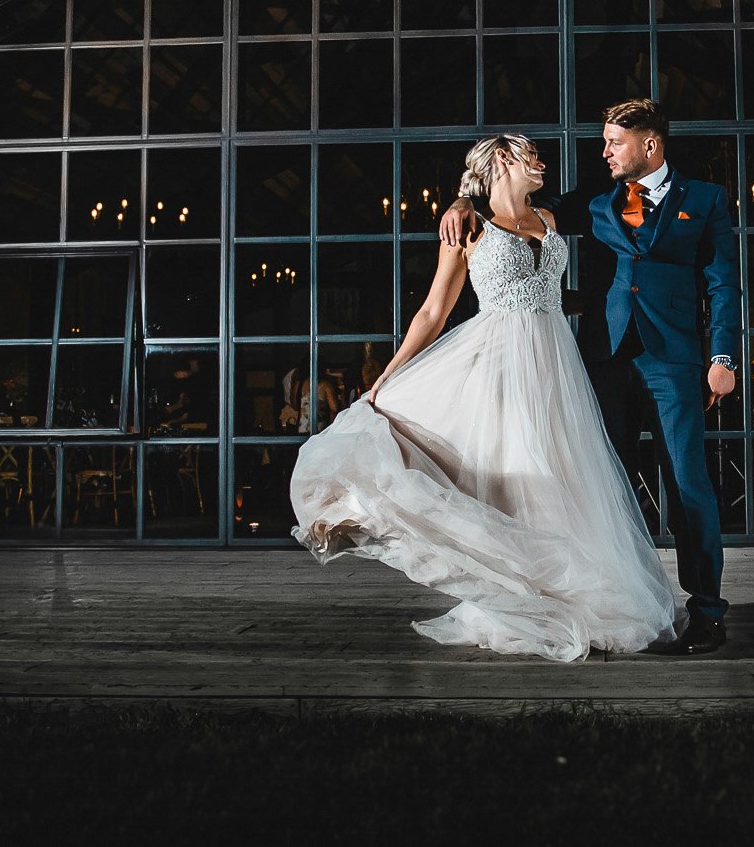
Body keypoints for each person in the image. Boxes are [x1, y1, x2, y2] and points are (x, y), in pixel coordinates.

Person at [290, 133, 681, 662]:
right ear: (502, 159)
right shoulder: (468, 229)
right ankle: (512, 593)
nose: (542, 163)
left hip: (552, 367)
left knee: (561, 478)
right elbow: (433, 312)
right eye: (532, 155)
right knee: (514, 474)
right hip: (495, 364)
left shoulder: (551, 219)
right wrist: (386, 378)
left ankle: (568, 600)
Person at [438, 97, 739, 655]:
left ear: (649, 144)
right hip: (600, 362)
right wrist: (461, 198)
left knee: (689, 485)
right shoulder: (596, 201)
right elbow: (516, 207)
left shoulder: (705, 200)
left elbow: (723, 283)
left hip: (673, 363)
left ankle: (708, 612)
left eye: (613, 143)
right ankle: (612, 604)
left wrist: (723, 358)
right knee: (600, 488)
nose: (603, 151)